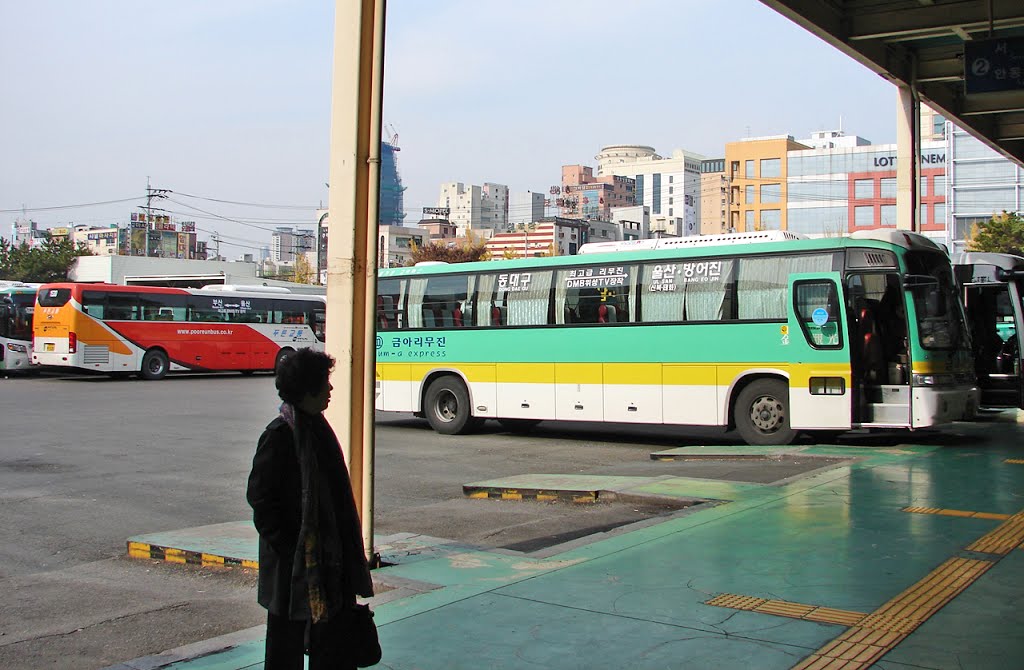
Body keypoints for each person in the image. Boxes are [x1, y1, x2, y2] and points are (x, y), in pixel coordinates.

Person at [247, 348, 374, 670]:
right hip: (294, 568)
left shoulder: (317, 427)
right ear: (307, 388)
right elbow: (262, 501)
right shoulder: (279, 436)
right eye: (325, 383)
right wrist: (295, 550)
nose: (331, 390)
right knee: (285, 644)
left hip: (330, 563)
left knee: (332, 642)